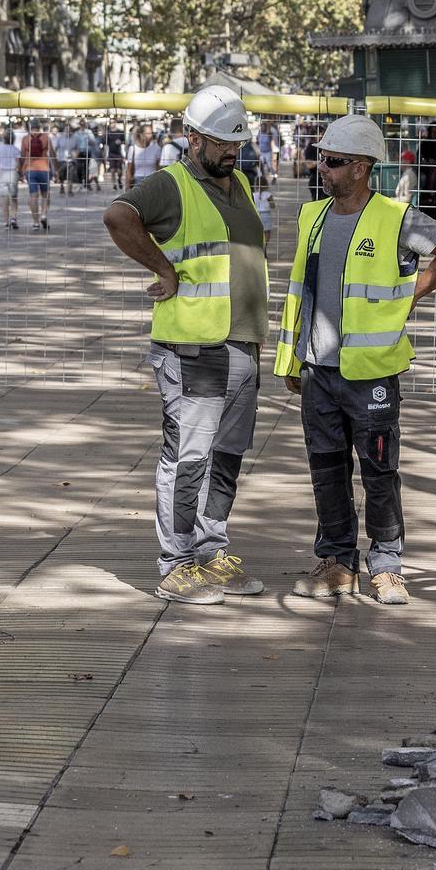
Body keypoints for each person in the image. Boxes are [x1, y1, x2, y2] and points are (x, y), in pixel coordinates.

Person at [275, 113, 436, 607]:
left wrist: (412, 294)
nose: (323, 168)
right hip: (319, 369)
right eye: (321, 158)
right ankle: (337, 562)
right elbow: (303, 292)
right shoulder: (311, 217)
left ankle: (387, 565)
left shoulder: (396, 217)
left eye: (333, 162)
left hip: (372, 372)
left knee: (379, 469)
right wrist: (297, 361)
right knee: (326, 468)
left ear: (361, 168)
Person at [103, 84, 268, 606]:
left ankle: (211, 553)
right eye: (221, 142)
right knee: (189, 458)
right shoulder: (170, 185)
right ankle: (175, 565)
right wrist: (161, 267)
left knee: (227, 456)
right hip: (193, 348)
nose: (231, 151)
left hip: (241, 343)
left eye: (236, 142)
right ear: (193, 139)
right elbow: (117, 215)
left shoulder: (237, 180)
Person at [21, 118, 52, 230]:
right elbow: (52, 154)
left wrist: (21, 171)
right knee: (45, 194)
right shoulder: (46, 138)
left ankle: (35, 222)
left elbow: (22, 155)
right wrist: (57, 169)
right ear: (40, 127)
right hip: (44, 169)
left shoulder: (25, 139)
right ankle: (43, 214)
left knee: (33, 197)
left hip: (30, 169)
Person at [0, 124, 21, 229]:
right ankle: (13, 218)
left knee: (5, 200)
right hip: (13, 173)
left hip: (3, 173)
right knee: (14, 198)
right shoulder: (15, 149)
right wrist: (20, 174)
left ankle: (6, 221)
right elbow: (18, 164)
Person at [126, 122, 161, 189]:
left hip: (152, 181)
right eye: (148, 133)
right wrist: (127, 187)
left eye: (151, 133)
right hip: (137, 182)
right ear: (141, 135)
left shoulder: (156, 148)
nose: (150, 135)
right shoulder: (133, 149)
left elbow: (159, 168)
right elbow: (129, 170)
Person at [106, 121, 126, 191]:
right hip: (111, 154)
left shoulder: (120, 132)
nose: (112, 124)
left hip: (119, 154)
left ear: (115, 123)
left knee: (119, 171)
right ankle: (114, 185)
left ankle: (119, 180)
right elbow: (105, 143)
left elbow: (125, 141)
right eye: (110, 122)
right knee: (112, 170)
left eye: (113, 122)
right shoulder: (108, 133)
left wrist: (120, 142)